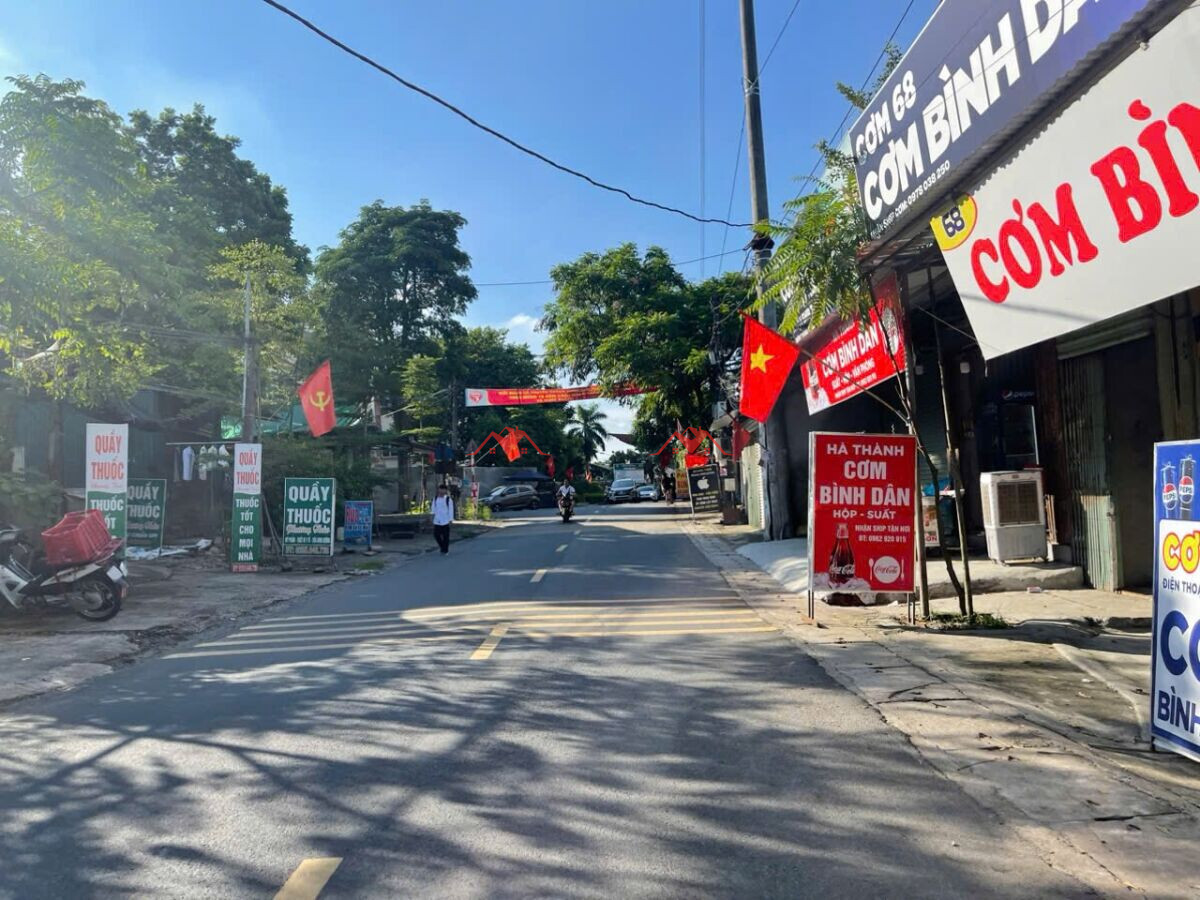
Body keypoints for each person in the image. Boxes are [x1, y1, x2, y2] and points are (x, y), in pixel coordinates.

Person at [432, 483, 454, 554]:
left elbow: (450, 510)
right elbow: (433, 509)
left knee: (445, 536)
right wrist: (432, 517)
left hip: (445, 520)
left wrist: (450, 519)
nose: (441, 491)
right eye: (440, 489)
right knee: (436, 535)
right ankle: (442, 547)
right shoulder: (435, 498)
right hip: (437, 520)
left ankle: (445, 550)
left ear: (445, 491)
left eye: (443, 490)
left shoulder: (448, 499)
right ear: (438, 490)